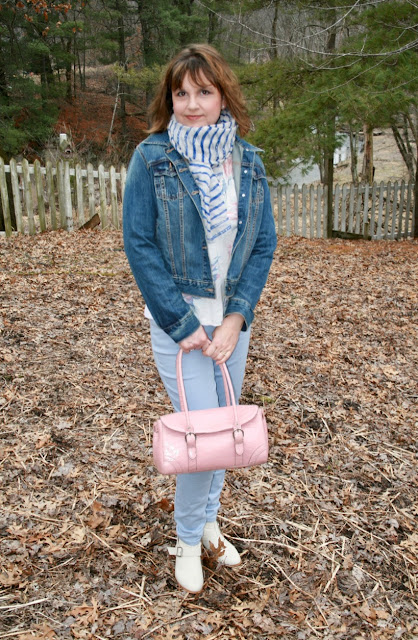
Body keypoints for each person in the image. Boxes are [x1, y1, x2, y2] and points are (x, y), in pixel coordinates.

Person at [123, 44, 276, 593]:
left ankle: (208, 523)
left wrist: (237, 317)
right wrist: (181, 322)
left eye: (203, 92)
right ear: (169, 98)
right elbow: (138, 244)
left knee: (222, 433)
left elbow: (262, 244)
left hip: (231, 324)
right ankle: (188, 540)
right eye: (180, 93)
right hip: (180, 325)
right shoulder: (152, 157)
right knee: (203, 432)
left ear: (223, 96)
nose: (191, 104)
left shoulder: (247, 160)